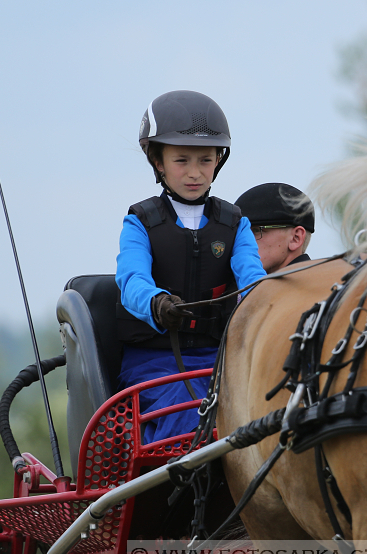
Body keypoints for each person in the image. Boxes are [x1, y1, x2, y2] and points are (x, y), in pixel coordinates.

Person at [115, 90, 266, 444]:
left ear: (218, 161)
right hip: (153, 363)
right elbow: (132, 279)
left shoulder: (235, 223)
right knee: (187, 417)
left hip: (220, 359)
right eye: (182, 160)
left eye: (206, 160)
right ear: (158, 161)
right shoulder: (139, 222)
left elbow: (253, 281)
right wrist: (157, 302)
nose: (195, 173)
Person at [234, 183, 316, 274]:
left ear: (295, 238)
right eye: (239, 233)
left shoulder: (319, 286)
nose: (243, 241)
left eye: (256, 231)